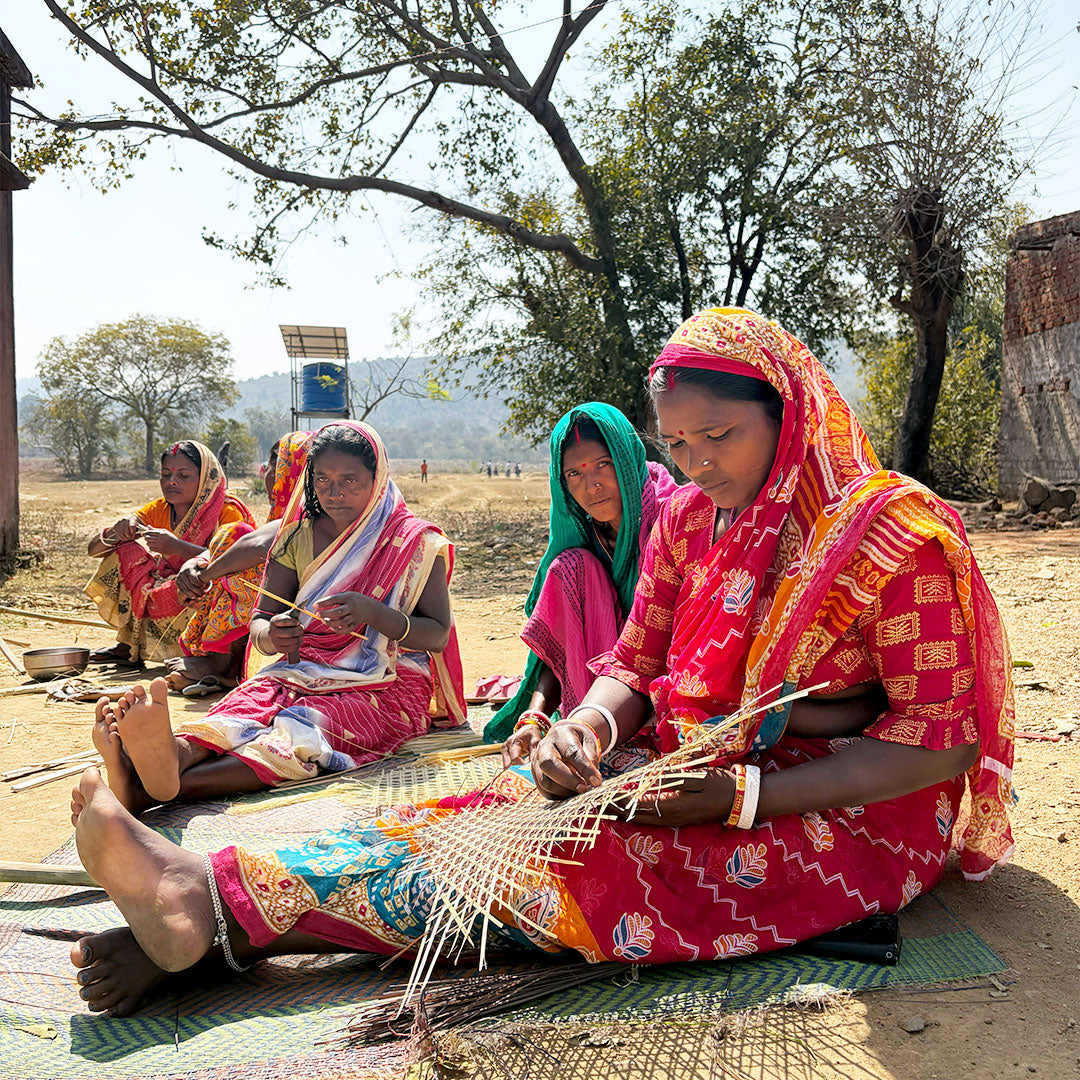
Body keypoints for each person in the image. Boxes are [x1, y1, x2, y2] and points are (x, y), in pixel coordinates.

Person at [68, 308, 1014, 1016]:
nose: (693, 466)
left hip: (850, 809)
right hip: (696, 765)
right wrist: (587, 727)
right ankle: (228, 900)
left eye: (719, 436)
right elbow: (636, 664)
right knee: (492, 809)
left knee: (594, 855)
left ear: (793, 411)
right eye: (677, 444)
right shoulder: (689, 519)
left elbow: (936, 746)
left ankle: (221, 916)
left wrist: (743, 801)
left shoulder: (895, 541)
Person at [92, 420, 467, 814]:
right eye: (321, 479)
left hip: (388, 681)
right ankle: (171, 754)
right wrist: (273, 634)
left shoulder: (414, 542)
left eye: (350, 480)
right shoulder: (297, 535)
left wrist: (373, 613)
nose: (334, 493)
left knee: (304, 730)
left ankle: (149, 786)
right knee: (241, 710)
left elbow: (437, 635)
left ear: (378, 477)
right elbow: (260, 622)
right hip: (301, 667)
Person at [485, 403, 677, 749]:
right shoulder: (587, 539)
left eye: (604, 465)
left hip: (670, 686)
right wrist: (536, 718)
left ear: (626, 460)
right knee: (571, 566)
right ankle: (587, 725)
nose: (592, 487)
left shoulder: (674, 520)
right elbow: (561, 639)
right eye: (574, 474)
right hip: (606, 697)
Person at [165, 431, 313, 692]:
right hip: (280, 617)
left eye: (276, 466)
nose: (268, 474)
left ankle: (224, 665)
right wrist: (197, 562)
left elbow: (256, 545)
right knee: (233, 545)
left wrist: (205, 574)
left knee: (239, 549)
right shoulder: (283, 512)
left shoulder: (311, 514)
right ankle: (219, 662)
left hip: (303, 616)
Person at [86, 442, 254, 667]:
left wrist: (177, 547)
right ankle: (129, 645)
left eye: (183, 476)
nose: (171, 481)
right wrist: (118, 530)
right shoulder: (160, 509)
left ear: (206, 479)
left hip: (201, 587)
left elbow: (234, 561)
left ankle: (203, 655)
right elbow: (93, 550)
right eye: (166, 474)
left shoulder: (227, 511)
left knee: (204, 585)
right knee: (125, 551)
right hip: (170, 584)